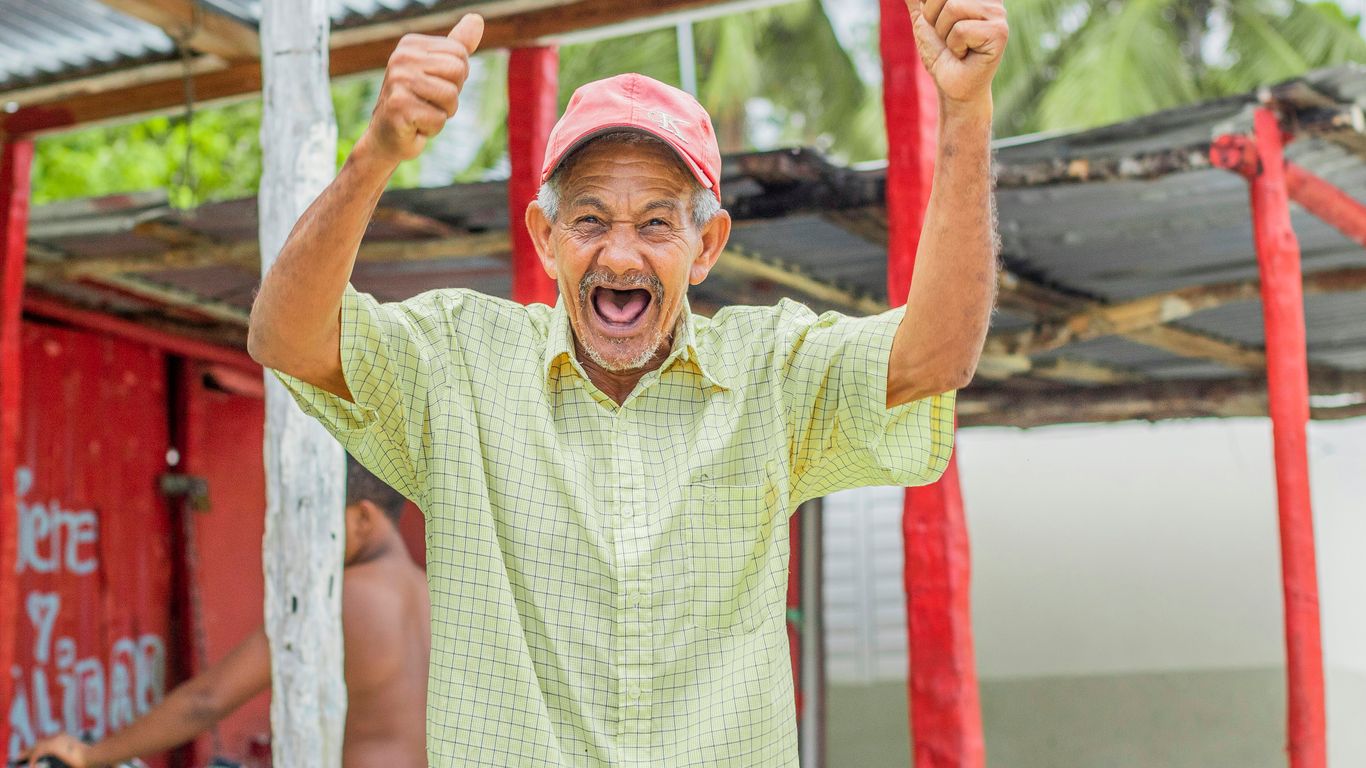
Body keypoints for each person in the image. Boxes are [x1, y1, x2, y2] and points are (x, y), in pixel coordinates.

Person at [246, 1, 1005, 764]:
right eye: (589, 220)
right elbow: (285, 337)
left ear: (705, 246)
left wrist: (966, 109)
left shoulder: (770, 372)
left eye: (655, 224)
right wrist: (376, 153)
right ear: (545, 238)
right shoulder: (457, 363)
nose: (618, 256)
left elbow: (935, 357)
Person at [19, 460, 431, 768]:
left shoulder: (336, 599)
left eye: (317, 516)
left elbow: (206, 701)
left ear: (362, 518)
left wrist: (89, 755)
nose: (306, 537)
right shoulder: (436, 596)